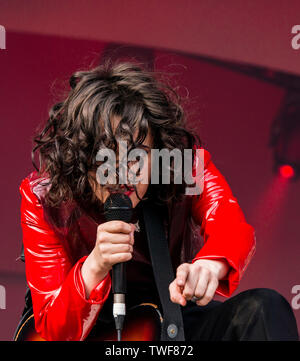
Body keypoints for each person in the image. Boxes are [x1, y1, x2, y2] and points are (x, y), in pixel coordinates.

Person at [18, 60, 299, 341]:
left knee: (263, 308)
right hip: (88, 325)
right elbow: (55, 329)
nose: (123, 171)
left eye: (138, 153)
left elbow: (229, 223)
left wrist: (209, 265)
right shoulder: (43, 196)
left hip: (168, 316)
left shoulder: (181, 166)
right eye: (107, 153)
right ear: (82, 153)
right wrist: (95, 265)